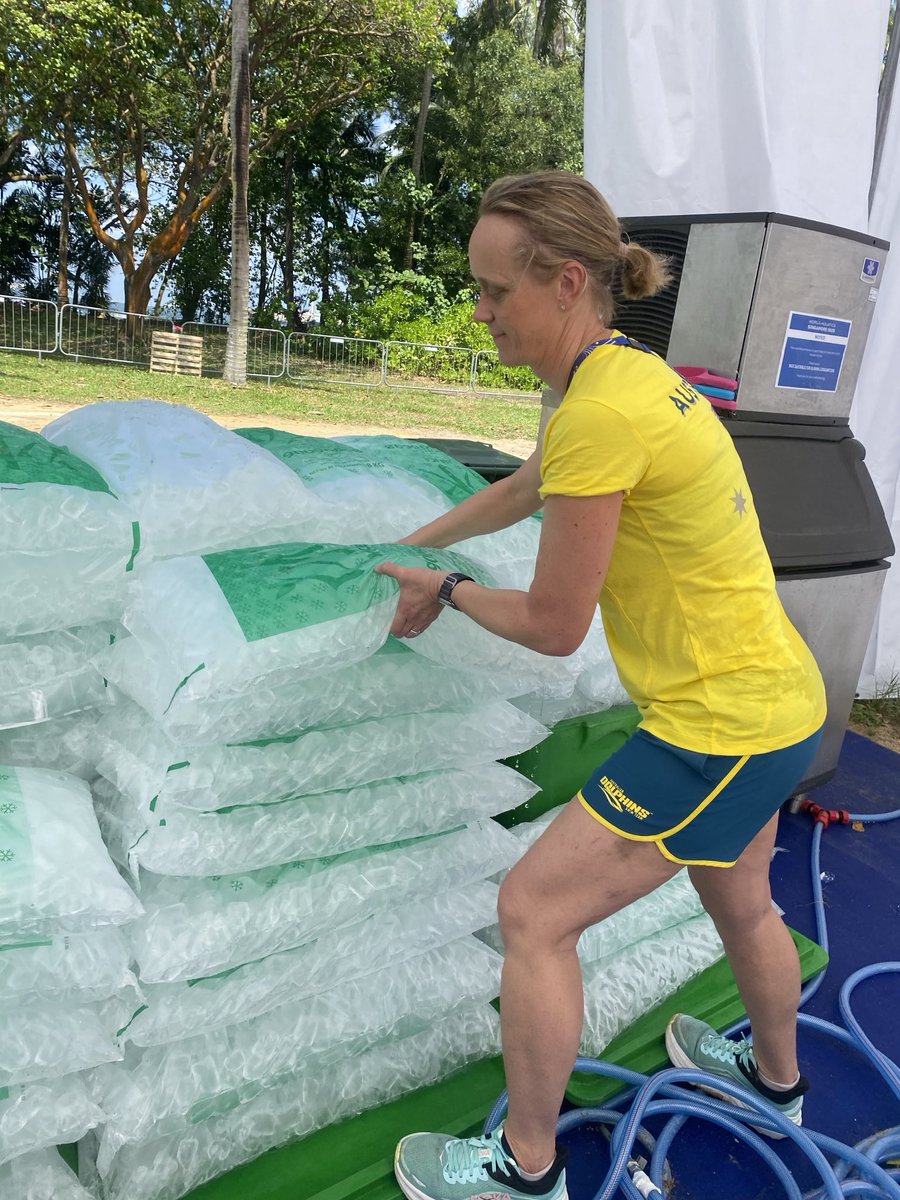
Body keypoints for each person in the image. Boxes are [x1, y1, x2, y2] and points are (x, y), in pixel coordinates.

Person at [377, 170, 826, 1200]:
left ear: (568, 281)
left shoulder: (600, 414)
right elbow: (532, 486)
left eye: (496, 292)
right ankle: (778, 1083)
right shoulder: (617, 375)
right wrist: (406, 542)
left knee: (533, 912)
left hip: (719, 727)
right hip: (780, 702)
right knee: (743, 900)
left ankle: (523, 1170)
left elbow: (551, 625)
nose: (480, 312)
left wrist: (442, 589)